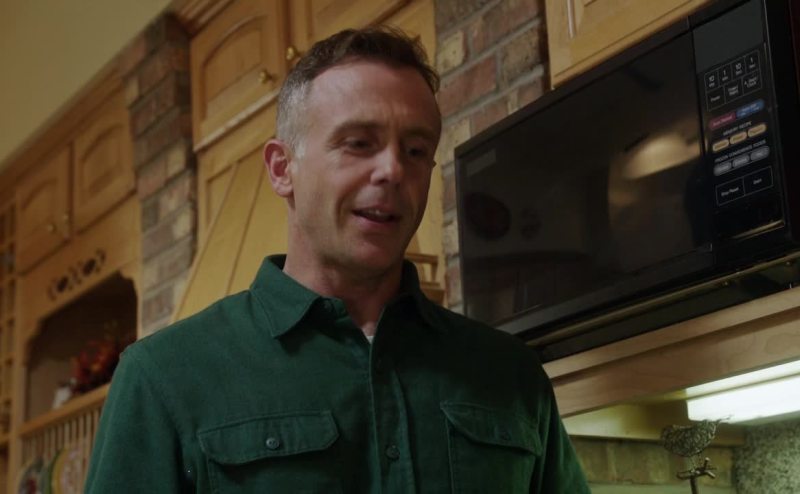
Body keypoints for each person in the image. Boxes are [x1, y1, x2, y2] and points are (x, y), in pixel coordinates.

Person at [85, 27, 590, 493]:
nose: (392, 170)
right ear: (282, 169)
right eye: (358, 144)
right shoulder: (162, 377)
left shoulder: (512, 375)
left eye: (416, 151)